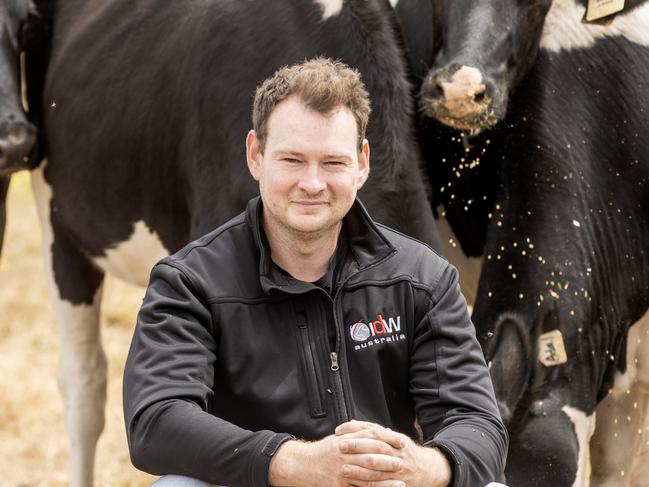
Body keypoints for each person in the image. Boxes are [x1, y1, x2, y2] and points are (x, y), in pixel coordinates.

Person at [123, 57, 508, 487]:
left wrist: (417, 467)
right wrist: (294, 463)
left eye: (332, 163)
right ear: (256, 155)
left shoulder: (423, 278)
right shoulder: (190, 282)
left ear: (362, 163)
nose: (311, 184)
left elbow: (478, 425)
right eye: (291, 160)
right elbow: (155, 421)